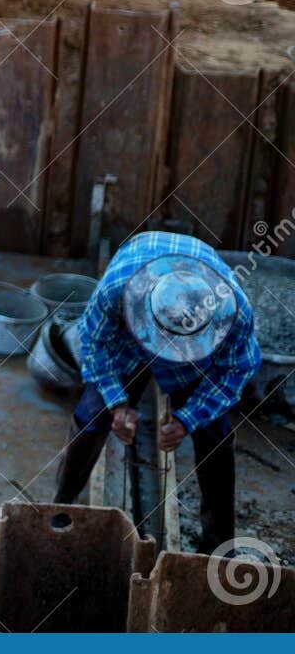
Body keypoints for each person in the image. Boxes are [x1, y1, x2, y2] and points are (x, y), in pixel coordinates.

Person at [53, 231, 260, 554]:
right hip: (130, 344)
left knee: (216, 434)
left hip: (193, 361)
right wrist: (117, 402)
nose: (164, 352)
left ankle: (219, 544)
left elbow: (237, 370)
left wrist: (187, 419)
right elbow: (93, 344)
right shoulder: (116, 290)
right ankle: (62, 506)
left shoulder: (234, 313)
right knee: (91, 413)